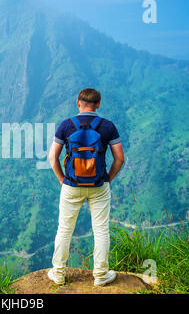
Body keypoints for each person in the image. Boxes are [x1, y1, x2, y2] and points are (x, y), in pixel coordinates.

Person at [47, 88, 124, 286]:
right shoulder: (107, 127)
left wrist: (62, 180)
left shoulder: (66, 125)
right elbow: (119, 159)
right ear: (98, 104)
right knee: (101, 230)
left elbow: (52, 158)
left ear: (78, 102)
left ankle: (58, 273)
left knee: (64, 229)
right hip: (99, 185)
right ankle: (100, 275)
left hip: (71, 185)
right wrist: (108, 178)